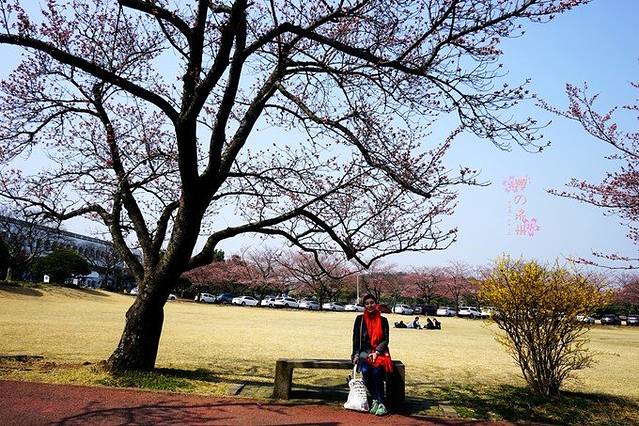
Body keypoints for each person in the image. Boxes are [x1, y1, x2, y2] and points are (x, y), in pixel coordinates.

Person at [352, 294, 393, 416]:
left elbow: (385, 340)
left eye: (372, 303)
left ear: (376, 304)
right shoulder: (359, 320)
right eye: (367, 303)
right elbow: (355, 339)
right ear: (364, 306)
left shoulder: (383, 320)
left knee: (376, 372)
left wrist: (376, 352)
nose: (369, 305)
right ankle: (376, 399)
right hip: (364, 352)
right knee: (365, 371)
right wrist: (355, 354)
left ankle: (382, 403)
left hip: (379, 352)